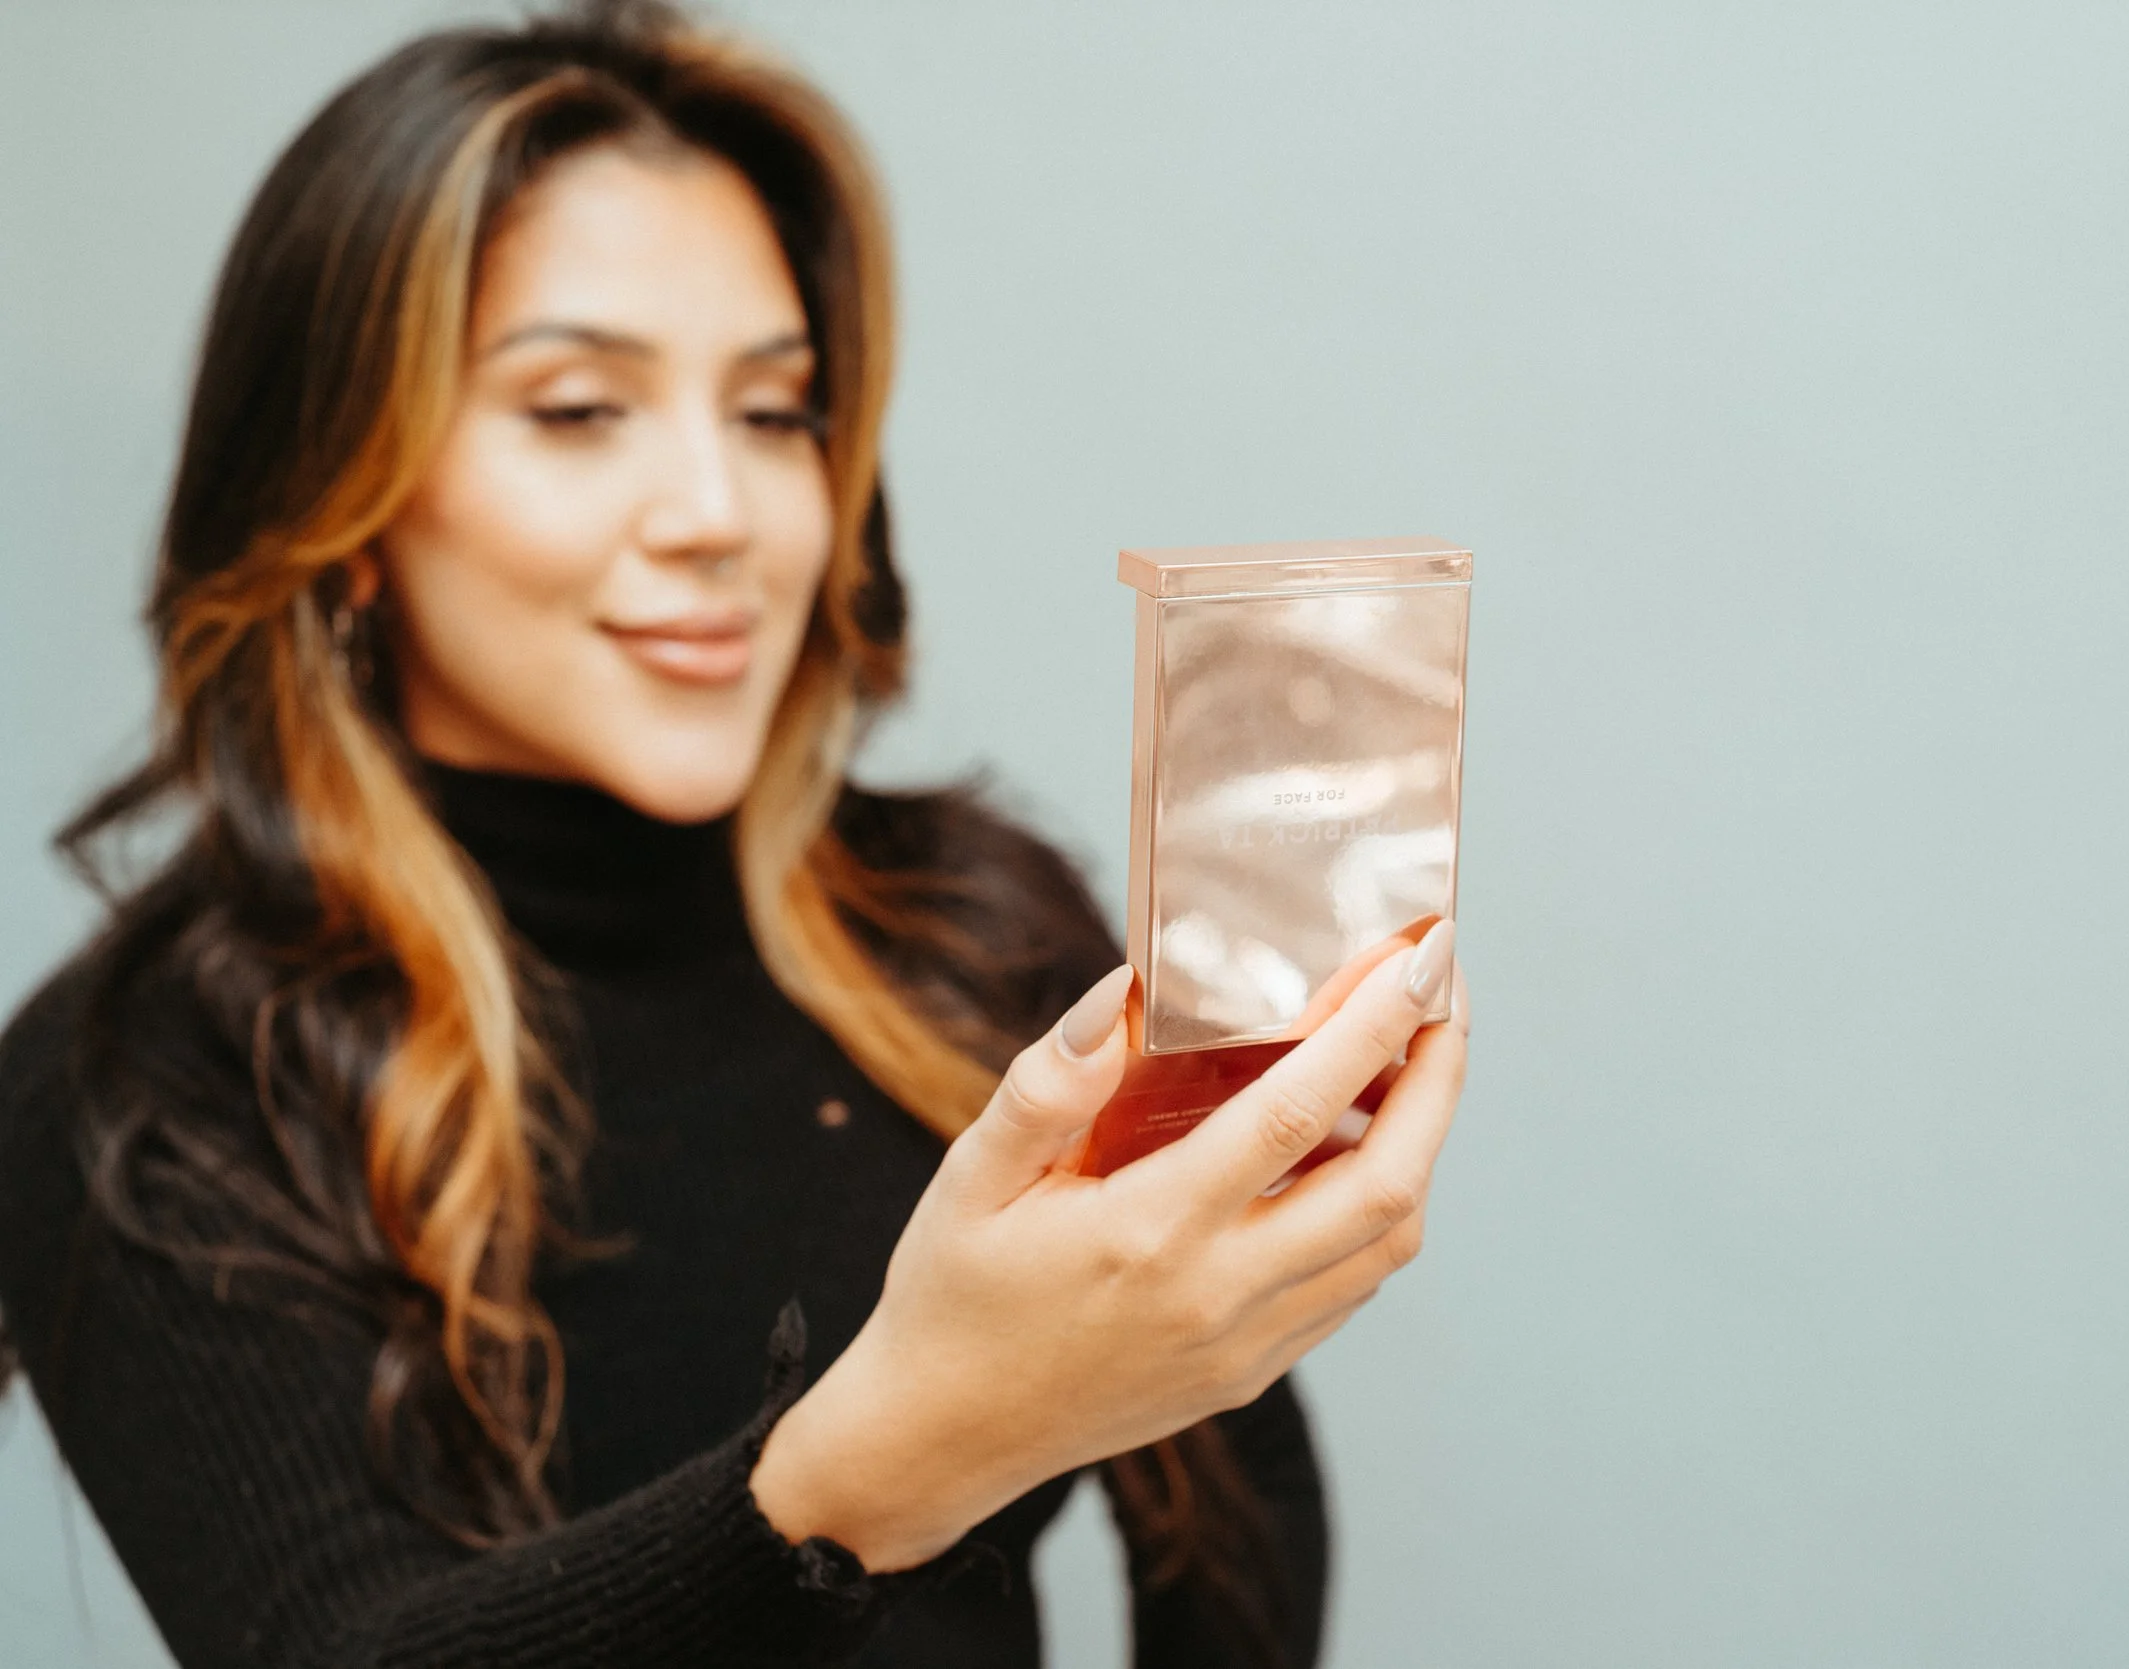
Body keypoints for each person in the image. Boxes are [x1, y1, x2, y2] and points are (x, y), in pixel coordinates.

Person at [0, 3, 1469, 1665]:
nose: (721, 516)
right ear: (342, 505)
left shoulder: (973, 933)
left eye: (775, 413)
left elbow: (1239, 1514)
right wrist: (898, 1451)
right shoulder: (137, 1080)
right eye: (576, 410)